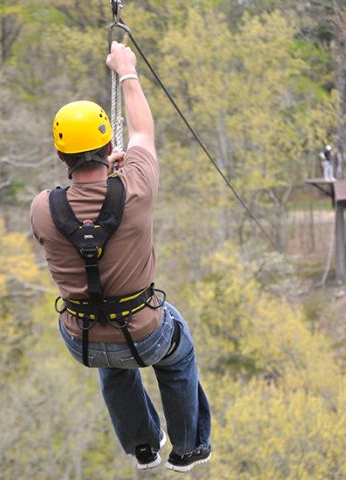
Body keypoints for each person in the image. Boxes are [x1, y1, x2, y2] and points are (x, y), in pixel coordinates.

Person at [30, 41, 211, 473]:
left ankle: (143, 446)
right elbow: (144, 132)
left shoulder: (42, 208)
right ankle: (187, 448)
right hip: (144, 330)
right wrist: (126, 70)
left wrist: (104, 175)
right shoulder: (136, 187)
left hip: (82, 339)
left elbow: (80, 214)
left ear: (60, 156)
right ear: (109, 141)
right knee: (177, 352)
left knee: (111, 356)